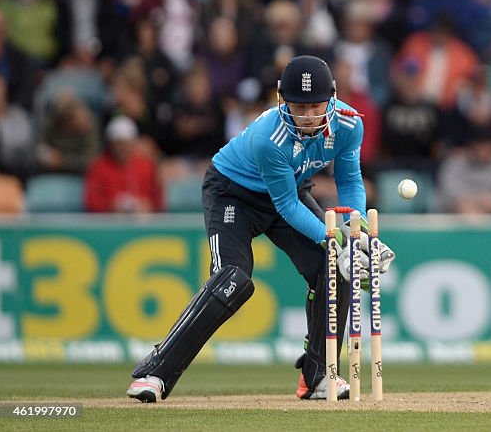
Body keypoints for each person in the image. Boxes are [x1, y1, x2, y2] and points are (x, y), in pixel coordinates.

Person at [126, 55, 395, 402]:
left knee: (334, 271)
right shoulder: (270, 137)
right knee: (232, 280)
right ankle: (154, 372)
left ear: (332, 98)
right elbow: (286, 207)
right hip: (233, 195)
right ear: (283, 100)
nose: (310, 116)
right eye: (300, 107)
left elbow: (350, 180)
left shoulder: (348, 123)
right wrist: (337, 242)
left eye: (317, 105)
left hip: (290, 190)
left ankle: (318, 377)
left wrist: (354, 235)